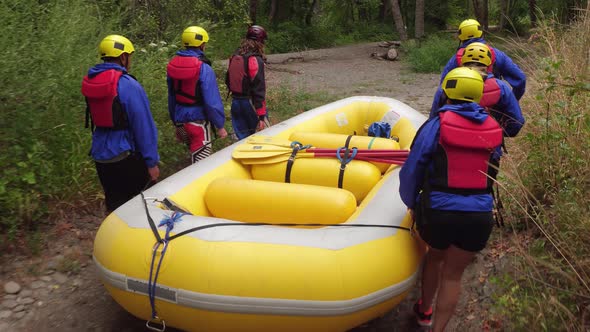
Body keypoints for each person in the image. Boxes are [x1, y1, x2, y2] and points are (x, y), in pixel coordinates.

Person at [399, 68, 512, 331]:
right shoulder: (493, 129)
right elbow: (491, 171)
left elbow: (412, 169)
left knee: (435, 258)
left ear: (446, 92)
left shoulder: (435, 126)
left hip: (439, 211)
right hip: (478, 215)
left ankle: (424, 312)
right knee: (453, 275)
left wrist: (411, 202)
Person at [81, 34, 160, 212]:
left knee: (114, 203)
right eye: (129, 56)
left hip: (100, 155)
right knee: (142, 205)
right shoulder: (128, 84)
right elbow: (143, 126)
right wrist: (151, 162)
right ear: (123, 57)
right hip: (125, 155)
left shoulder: (92, 81)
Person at [431, 42, 525, 138]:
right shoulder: (501, 87)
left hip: (451, 141)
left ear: (462, 62)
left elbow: (433, 120)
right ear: (489, 64)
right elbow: (517, 121)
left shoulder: (448, 84)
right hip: (487, 144)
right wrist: (498, 133)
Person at [167, 26, 228, 163]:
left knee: (193, 158)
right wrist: (220, 126)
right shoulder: (204, 68)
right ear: (202, 44)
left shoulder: (172, 65)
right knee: (201, 166)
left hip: (180, 122)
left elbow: (171, 97)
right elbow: (211, 101)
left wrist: (176, 122)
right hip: (198, 124)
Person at [439, 18, 527, 101]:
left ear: (460, 37)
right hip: (494, 104)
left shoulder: (455, 60)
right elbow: (520, 78)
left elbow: (443, 88)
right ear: (481, 33)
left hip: (463, 105)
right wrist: (512, 101)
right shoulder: (497, 55)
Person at [225, 25, 270, 140]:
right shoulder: (255, 60)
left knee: (242, 139)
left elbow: (228, 80)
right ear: (260, 42)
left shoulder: (235, 56)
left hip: (235, 103)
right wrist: (261, 116)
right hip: (250, 104)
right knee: (260, 138)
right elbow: (258, 89)